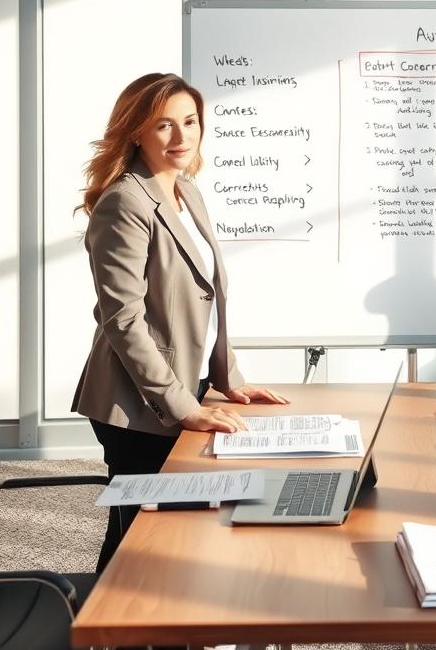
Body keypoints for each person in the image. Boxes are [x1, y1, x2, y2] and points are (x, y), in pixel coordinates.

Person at [72, 72, 288, 572]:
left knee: (166, 538)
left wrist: (228, 377)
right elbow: (122, 319)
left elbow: (204, 296)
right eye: (164, 126)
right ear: (135, 133)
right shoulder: (125, 202)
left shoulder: (186, 191)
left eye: (189, 122)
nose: (181, 137)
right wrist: (182, 406)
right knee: (139, 543)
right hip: (137, 403)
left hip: (182, 387)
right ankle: (109, 631)